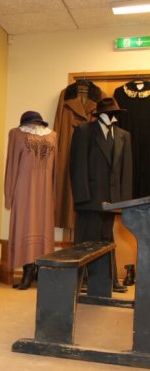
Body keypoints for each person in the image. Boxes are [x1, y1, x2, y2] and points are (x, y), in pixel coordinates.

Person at [69, 97, 132, 292]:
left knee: (106, 240)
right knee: (85, 241)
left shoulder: (123, 135)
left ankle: (108, 279)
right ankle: (81, 279)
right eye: (109, 113)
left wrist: (123, 202)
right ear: (101, 114)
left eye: (114, 114)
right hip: (89, 199)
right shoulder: (84, 132)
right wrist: (82, 198)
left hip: (112, 200)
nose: (112, 117)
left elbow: (126, 171)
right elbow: (77, 166)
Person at [4, 111, 57, 290]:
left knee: (43, 227)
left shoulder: (53, 135)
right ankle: (28, 271)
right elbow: (12, 164)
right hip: (24, 187)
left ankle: (40, 270)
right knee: (25, 226)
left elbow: (56, 168)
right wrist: (9, 194)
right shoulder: (15, 134)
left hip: (45, 190)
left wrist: (55, 194)